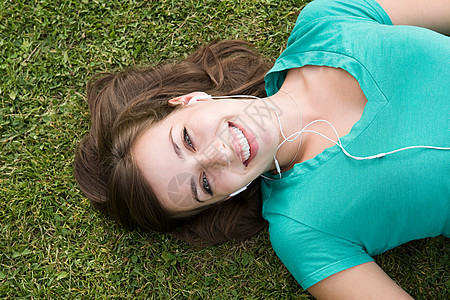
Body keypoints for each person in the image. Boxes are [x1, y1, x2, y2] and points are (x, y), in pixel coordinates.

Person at [75, 0, 450, 298]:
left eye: (187, 140)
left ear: (189, 100)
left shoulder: (327, 20)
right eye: (204, 184)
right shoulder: (304, 229)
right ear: (224, 198)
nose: (215, 155)